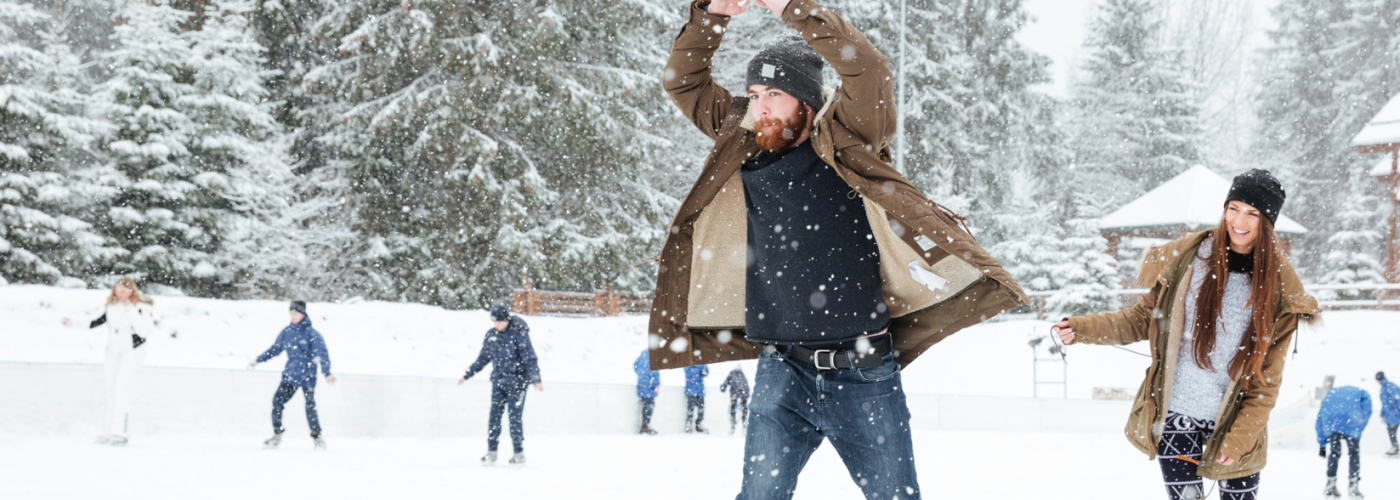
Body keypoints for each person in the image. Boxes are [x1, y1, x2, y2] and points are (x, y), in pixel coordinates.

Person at [651, 0, 1027, 497]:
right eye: (754, 93)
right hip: (781, 369)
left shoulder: (849, 138)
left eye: (775, 94)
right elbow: (684, 81)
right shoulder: (741, 137)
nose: (760, 106)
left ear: (807, 103)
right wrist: (710, 15)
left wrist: (791, 8)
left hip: (864, 371)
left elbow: (867, 67)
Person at [1054, 169, 1320, 500]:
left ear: (1266, 223)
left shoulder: (1277, 288)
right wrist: (1081, 329)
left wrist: (1238, 440)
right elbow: (1142, 319)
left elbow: (1267, 381)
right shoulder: (1191, 261)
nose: (1240, 220)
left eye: (1252, 213)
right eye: (1234, 208)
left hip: (1235, 422)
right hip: (1178, 418)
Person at [62, 276, 159, 446]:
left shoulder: (142, 307)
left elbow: (144, 331)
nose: (120, 294)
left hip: (133, 351)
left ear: (131, 291)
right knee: (110, 389)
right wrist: (72, 323)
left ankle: (120, 431)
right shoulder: (112, 307)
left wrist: (130, 309)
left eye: (123, 291)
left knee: (122, 388)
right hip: (113, 352)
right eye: (117, 291)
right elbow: (95, 322)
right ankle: (107, 430)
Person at [459, 304, 542, 466]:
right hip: (498, 383)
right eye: (495, 322)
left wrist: (535, 379)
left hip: (517, 383)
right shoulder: (491, 336)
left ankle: (518, 453)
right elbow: (483, 358)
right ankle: (492, 452)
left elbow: (529, 357)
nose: (497, 325)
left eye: (500, 322)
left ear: (507, 320)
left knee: (514, 418)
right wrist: (467, 374)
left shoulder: (519, 333)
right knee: (494, 417)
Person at [249, 300, 335, 450]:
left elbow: (321, 354)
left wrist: (327, 373)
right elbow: (275, 349)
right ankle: (277, 433)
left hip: (308, 375)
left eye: (295, 313)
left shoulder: (312, 334)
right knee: (277, 402)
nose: (293, 316)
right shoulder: (287, 332)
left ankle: (317, 437)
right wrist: (258, 359)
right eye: (291, 313)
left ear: (303, 314)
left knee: (310, 406)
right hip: (290, 374)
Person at [1316, 385, 1371, 499]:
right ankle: (1353, 486)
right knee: (1354, 454)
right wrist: (1360, 425)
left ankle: (1330, 484)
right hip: (1352, 422)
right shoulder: (1360, 391)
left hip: (1333, 422)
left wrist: (1322, 445)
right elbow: (1367, 408)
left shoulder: (1330, 395)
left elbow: (1320, 419)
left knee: (1334, 453)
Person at [634, 349, 660, 435]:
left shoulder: (643, 354)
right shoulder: (653, 356)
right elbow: (655, 372)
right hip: (649, 385)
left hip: (641, 384)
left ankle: (644, 425)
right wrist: (656, 384)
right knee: (650, 405)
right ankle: (646, 425)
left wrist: (641, 375)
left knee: (645, 405)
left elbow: (635, 365)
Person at [719, 366, 750, 435]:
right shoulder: (743, 375)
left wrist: (722, 388)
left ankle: (732, 426)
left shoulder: (732, 374)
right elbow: (746, 386)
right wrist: (747, 395)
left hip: (734, 393)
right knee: (744, 409)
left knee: (732, 409)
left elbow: (725, 383)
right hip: (743, 393)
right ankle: (744, 426)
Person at [1377, 371, 1400, 457]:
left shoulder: (1387, 386)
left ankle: (1395, 448)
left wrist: (1384, 414)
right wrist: (1383, 414)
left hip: (1394, 414)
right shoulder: (1386, 386)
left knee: (1391, 431)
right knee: (1391, 431)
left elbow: (1390, 402)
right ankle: (1394, 448)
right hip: (1392, 414)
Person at [684, 364, 709, 433]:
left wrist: (704, 371)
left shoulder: (702, 362)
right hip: (690, 391)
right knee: (690, 409)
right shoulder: (688, 361)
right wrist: (699, 371)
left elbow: (706, 371)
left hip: (699, 390)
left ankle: (699, 423)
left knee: (701, 409)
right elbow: (688, 371)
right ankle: (689, 423)